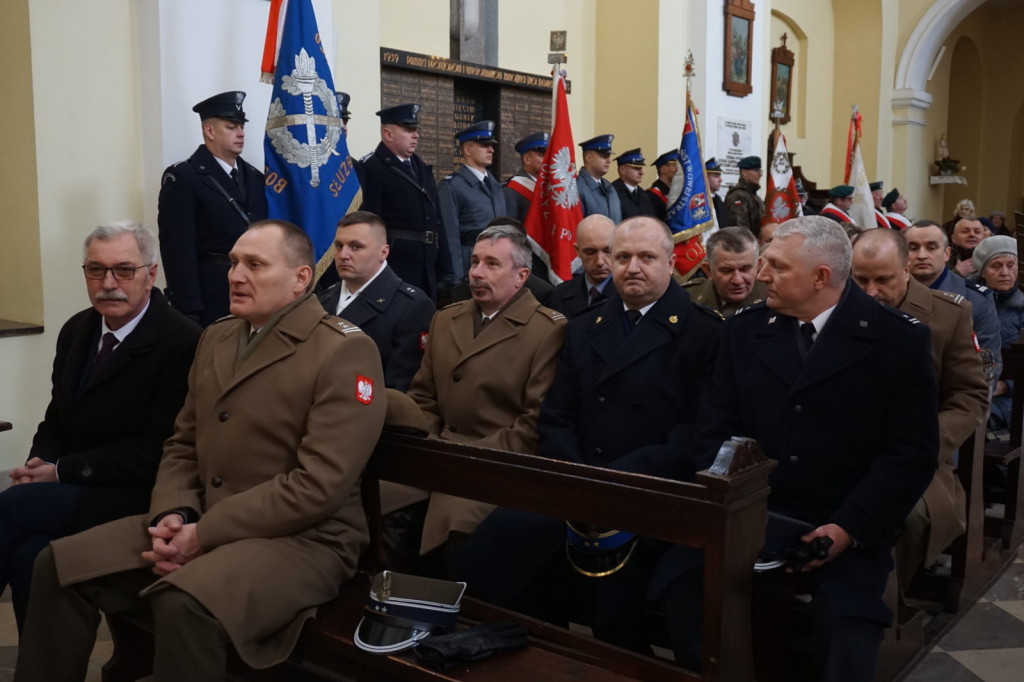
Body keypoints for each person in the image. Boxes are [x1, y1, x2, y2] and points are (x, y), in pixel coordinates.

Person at [16, 220, 387, 681]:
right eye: (233, 263)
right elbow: (182, 444)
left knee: (184, 601)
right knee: (57, 565)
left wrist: (204, 533)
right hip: (202, 518)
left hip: (304, 541)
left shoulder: (342, 352)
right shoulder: (218, 337)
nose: (234, 275)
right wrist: (173, 514)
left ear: (301, 278)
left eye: (255, 264)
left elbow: (319, 485)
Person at [459, 216, 721, 660]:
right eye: (622, 257)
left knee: (612, 592)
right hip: (578, 481)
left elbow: (697, 433)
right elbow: (558, 414)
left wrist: (616, 480)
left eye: (645, 257)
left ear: (671, 262)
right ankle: (526, 657)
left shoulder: (704, 332)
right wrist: (576, 475)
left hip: (652, 492)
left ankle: (620, 665)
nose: (631, 267)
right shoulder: (585, 325)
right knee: (489, 552)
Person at [694, 215, 938, 681]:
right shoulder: (743, 331)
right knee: (677, 590)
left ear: (820, 277)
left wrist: (848, 527)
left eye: (777, 267)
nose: (761, 275)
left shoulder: (897, 340)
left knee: (846, 634)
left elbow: (910, 454)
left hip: (844, 524)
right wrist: (741, 512)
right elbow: (714, 430)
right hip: (751, 517)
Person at [0, 221, 199, 633]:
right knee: (31, 554)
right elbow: (57, 417)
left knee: (11, 507)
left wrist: (59, 473)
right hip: (77, 486)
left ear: (151, 274)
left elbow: (157, 451)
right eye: (96, 270)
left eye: (124, 270)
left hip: (137, 495)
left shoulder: (181, 342)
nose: (109, 283)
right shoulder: (78, 329)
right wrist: (40, 461)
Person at [407, 224, 566, 558]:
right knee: (372, 501)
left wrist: (465, 459)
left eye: (492, 264)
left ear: (521, 276)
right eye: (474, 261)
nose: (476, 273)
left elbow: (532, 425)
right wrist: (430, 448)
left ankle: (449, 608)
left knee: (452, 530)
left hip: (493, 467)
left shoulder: (547, 331)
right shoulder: (446, 320)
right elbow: (422, 397)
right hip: (434, 455)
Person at [850, 229, 987, 590]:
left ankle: (883, 601)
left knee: (901, 515)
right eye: (860, 280)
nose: (871, 292)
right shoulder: (838, 309)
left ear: (906, 269)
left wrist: (922, 445)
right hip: (844, 449)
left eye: (883, 280)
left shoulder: (947, 316)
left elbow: (969, 396)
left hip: (918, 456)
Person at [158, 91, 267, 326]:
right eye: (231, 127)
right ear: (209, 131)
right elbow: (177, 249)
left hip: (256, 290)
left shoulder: (256, 177)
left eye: (241, 126)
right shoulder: (184, 178)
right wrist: (188, 307)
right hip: (213, 291)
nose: (241, 133)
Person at [317, 211, 435, 391]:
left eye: (356, 247)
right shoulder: (325, 298)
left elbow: (401, 388)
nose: (343, 255)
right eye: (339, 246)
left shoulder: (412, 306)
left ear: (383, 252)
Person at [358, 103, 450, 302]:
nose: (415, 135)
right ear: (388, 134)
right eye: (408, 130)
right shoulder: (372, 168)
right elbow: (371, 223)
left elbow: (438, 221)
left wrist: (446, 268)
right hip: (396, 265)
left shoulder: (422, 169)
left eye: (415, 130)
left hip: (428, 265)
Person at [905, 221, 1002, 376]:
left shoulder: (976, 300)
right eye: (913, 248)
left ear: (947, 254)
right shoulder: (889, 293)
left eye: (931, 247)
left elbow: (987, 368)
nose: (922, 255)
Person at [438, 120, 507, 280]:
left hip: (497, 265)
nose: (491, 149)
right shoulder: (452, 186)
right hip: (469, 264)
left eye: (491, 146)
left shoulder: (495, 186)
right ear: (467, 150)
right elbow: (450, 237)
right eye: (484, 145)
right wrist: (454, 279)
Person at [972, 235, 1023, 430]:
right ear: (982, 271)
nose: (1004, 272)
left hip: (1011, 399)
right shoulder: (966, 301)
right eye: (996, 266)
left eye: (1011, 265)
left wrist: (1005, 386)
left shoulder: (1022, 308)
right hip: (967, 388)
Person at [683, 226, 766, 317]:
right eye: (727, 271)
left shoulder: (776, 297)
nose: (737, 280)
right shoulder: (687, 299)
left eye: (745, 269)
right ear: (708, 270)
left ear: (758, 266)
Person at [549, 214, 617, 318]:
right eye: (590, 252)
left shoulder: (633, 295)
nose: (599, 262)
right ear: (577, 251)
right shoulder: (560, 294)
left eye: (607, 251)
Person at [503, 132, 549, 222]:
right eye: (542, 155)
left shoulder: (548, 186)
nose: (547, 160)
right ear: (527, 159)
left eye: (548, 155)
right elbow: (509, 226)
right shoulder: (512, 189)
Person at [576, 134, 622, 222]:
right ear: (589, 158)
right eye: (604, 156)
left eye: (609, 156)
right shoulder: (578, 188)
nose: (609, 161)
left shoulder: (610, 188)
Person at [723, 156, 765, 236]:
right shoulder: (738, 196)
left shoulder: (754, 196)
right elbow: (740, 231)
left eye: (760, 171)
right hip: (745, 246)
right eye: (756, 170)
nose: (760, 175)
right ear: (744, 172)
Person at [612, 148, 656, 219]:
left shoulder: (643, 194)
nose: (641, 172)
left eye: (641, 168)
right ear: (622, 170)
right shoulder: (612, 192)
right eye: (636, 168)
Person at [646, 150, 679, 222]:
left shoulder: (676, 191)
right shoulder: (652, 195)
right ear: (663, 169)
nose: (678, 169)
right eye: (675, 165)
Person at [705, 157, 729, 229]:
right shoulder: (701, 200)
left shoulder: (718, 200)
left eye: (719, 176)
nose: (720, 180)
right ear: (706, 177)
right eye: (716, 176)